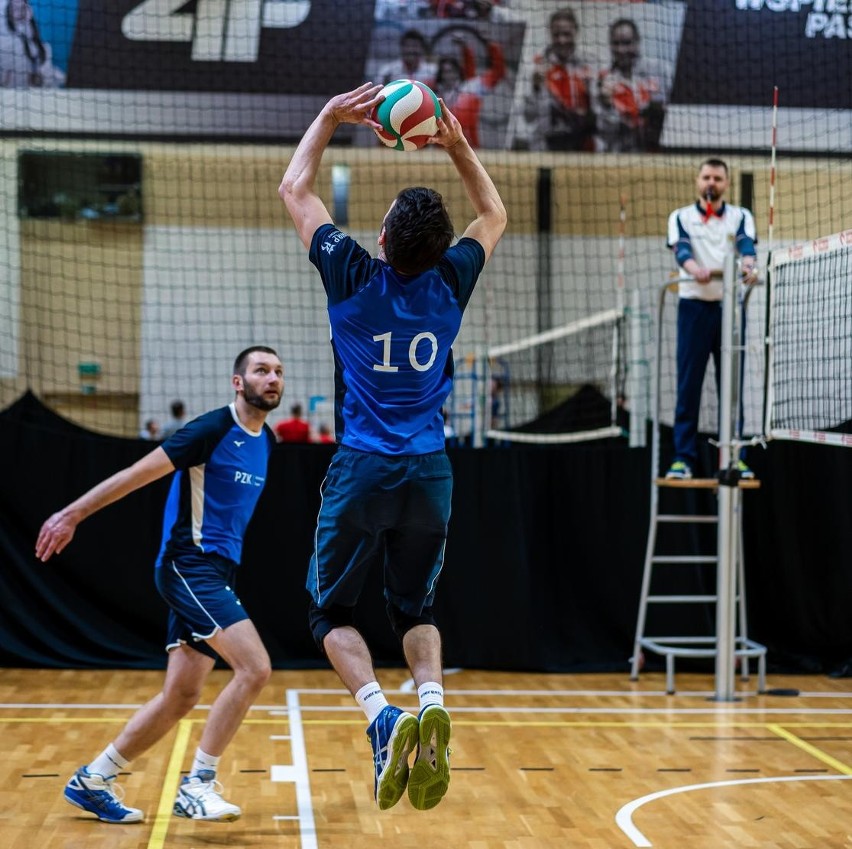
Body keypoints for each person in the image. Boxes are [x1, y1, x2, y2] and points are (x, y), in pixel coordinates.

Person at [278, 84, 506, 811]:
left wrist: (329, 116)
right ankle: (431, 695)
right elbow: (494, 213)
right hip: (430, 470)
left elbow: (295, 187)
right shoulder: (451, 280)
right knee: (415, 607)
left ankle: (383, 716)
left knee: (327, 614)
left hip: (363, 464)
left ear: (381, 240)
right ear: (438, 250)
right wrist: (455, 139)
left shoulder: (349, 272)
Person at [35, 346, 284, 824]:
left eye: (277, 371)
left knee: (182, 695)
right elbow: (134, 475)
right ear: (238, 382)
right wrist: (71, 515)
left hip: (219, 571)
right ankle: (198, 785)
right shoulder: (210, 430)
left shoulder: (267, 440)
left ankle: (93, 779)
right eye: (261, 370)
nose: (272, 378)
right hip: (189, 566)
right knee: (254, 668)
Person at [665, 159, 758, 480]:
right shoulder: (680, 216)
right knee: (688, 385)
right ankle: (684, 459)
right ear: (697, 180)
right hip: (693, 308)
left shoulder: (741, 216)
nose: (711, 182)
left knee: (731, 387)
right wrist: (695, 270)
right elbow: (681, 251)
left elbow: (747, 247)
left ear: (726, 184)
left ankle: (734, 457)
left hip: (730, 311)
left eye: (717, 178)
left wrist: (748, 266)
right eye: (706, 176)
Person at [522, 7, 595, 152]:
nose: (562, 40)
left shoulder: (590, 65)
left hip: (583, 146)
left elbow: (598, 115)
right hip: (547, 146)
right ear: (550, 33)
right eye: (557, 34)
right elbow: (528, 116)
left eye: (567, 34)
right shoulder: (537, 65)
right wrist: (535, 88)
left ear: (576, 32)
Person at [595, 18, 667, 153]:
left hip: (656, 154)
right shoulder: (604, 78)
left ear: (637, 41)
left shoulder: (658, 71)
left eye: (627, 43)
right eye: (616, 43)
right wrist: (606, 104)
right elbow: (604, 133)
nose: (621, 50)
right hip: (619, 155)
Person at [433, 34, 505, 149]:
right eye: (445, 72)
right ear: (440, 75)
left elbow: (498, 72)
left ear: (458, 72)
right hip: (441, 151)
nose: (449, 75)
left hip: (471, 148)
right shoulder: (433, 95)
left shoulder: (472, 87)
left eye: (452, 71)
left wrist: (491, 46)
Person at [0, 0, 65, 88]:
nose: (19, 12)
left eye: (22, 8)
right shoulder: (8, 42)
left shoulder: (43, 49)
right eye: (15, 9)